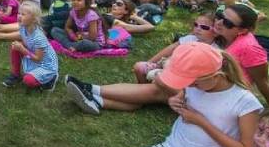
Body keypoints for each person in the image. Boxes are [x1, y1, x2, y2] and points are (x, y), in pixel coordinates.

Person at [105, 43, 263, 147]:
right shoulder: (193, 85)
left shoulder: (245, 102)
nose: (189, 86)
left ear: (217, 75)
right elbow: (182, 95)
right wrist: (174, 101)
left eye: (194, 83)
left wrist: (201, 122)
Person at [65, 14, 217, 114]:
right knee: (141, 69)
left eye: (203, 27)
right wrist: (152, 63)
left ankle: (90, 89)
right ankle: (97, 100)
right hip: (171, 77)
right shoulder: (190, 39)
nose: (198, 28)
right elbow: (169, 50)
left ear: (215, 31)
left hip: (182, 86)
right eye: (195, 24)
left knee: (154, 86)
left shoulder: (214, 52)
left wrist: (166, 67)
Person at [214, 4, 269, 108]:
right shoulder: (220, 35)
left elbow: (262, 82)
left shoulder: (250, 48)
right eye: (220, 16)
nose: (218, 22)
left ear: (242, 31)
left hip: (231, 95)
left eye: (227, 23)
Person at [2, 2, 59, 91]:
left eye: (23, 14)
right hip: (34, 55)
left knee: (28, 81)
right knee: (15, 48)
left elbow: (38, 59)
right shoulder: (23, 27)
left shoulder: (38, 37)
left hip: (46, 65)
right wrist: (21, 47)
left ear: (33, 19)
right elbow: (27, 42)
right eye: (19, 13)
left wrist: (22, 49)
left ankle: (51, 78)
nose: (19, 16)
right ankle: (15, 75)